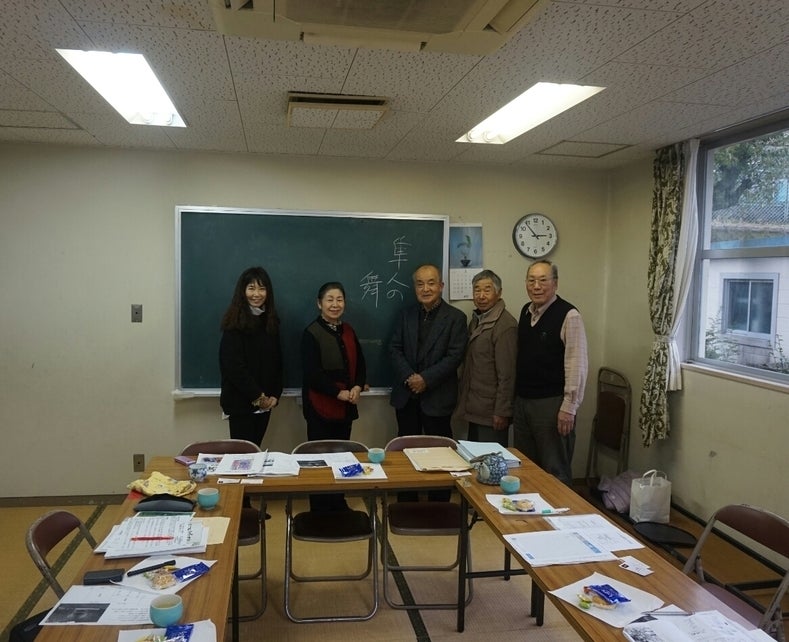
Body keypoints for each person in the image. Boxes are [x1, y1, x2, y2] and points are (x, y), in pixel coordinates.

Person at [390, 263, 467, 500]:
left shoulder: (456, 318)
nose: (425, 289)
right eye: (420, 284)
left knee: (441, 453)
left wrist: (425, 379)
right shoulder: (405, 315)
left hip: (437, 396)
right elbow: (394, 349)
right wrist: (410, 378)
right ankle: (406, 502)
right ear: (415, 287)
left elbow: (455, 356)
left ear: (441, 286)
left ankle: (439, 503)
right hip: (407, 396)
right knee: (405, 453)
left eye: (431, 283)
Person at [513, 260, 588, 486]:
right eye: (531, 280)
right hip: (524, 402)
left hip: (552, 405)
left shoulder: (569, 315)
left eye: (543, 280)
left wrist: (569, 407)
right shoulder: (526, 312)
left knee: (554, 471)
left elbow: (577, 363)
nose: (536, 286)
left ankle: (559, 509)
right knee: (525, 468)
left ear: (555, 284)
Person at [301, 281, 367, 512]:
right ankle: (319, 507)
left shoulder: (348, 330)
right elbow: (312, 374)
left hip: (346, 406)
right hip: (320, 407)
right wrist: (337, 392)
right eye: (330, 299)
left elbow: (360, 364)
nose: (335, 304)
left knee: (343, 456)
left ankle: (339, 502)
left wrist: (358, 386)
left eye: (339, 299)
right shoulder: (311, 333)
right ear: (319, 304)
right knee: (320, 459)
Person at [219, 266, 283, 447]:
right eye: (251, 288)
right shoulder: (234, 324)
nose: (257, 294)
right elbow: (233, 367)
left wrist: (275, 394)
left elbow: (277, 362)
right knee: (244, 456)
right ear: (243, 291)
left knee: (256, 451)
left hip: (266, 404)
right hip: (241, 404)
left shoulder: (271, 321)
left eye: (262, 288)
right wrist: (258, 397)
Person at [457, 270, 517, 447]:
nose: (481, 296)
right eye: (477, 290)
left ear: (499, 293)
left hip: (492, 413)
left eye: (487, 290)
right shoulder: (477, 320)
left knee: (491, 460)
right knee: (473, 459)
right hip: (475, 408)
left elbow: (508, 374)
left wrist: (502, 411)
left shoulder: (505, 325)